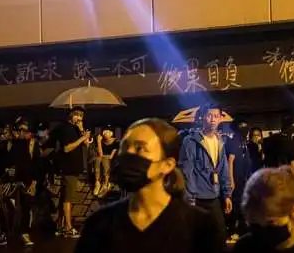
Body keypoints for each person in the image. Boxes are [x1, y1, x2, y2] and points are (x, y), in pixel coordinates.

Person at [76, 118, 221, 253]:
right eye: (125, 147)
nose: (129, 154)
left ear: (167, 165)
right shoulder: (99, 224)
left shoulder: (199, 227)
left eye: (140, 148)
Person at [179, 104, 233, 247]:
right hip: (196, 198)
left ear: (221, 119)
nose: (213, 119)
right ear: (203, 118)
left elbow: (223, 168)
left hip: (214, 195)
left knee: (219, 236)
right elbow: (186, 170)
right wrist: (190, 197)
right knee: (197, 240)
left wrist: (227, 194)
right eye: (209, 116)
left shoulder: (220, 141)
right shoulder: (190, 141)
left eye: (216, 116)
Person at [0, 118, 38, 247]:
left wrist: (35, 181)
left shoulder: (32, 144)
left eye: (25, 130)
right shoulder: (8, 144)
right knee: (6, 209)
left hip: (26, 181)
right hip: (8, 181)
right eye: (20, 129)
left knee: (26, 209)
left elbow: (36, 164)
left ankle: (25, 234)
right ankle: (4, 235)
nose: (22, 133)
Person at [53, 106, 92, 238]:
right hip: (68, 167)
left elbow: (86, 144)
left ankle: (60, 226)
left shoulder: (76, 129)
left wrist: (82, 131)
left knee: (65, 197)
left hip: (75, 167)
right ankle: (68, 227)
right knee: (68, 198)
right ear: (70, 115)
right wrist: (82, 138)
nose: (79, 118)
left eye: (81, 116)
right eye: (76, 115)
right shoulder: (66, 129)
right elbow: (67, 148)